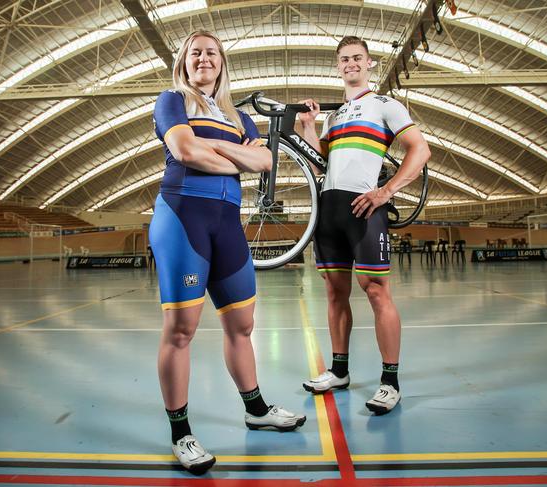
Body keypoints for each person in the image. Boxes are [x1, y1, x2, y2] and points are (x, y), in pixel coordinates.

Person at [150, 30, 306, 475]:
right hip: (183, 218)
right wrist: (234, 154)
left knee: (243, 322)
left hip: (227, 223)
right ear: (184, 61)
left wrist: (211, 149)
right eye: (195, 52)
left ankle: (255, 410)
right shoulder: (172, 100)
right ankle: (181, 432)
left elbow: (264, 163)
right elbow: (182, 149)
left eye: (212, 53)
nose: (204, 58)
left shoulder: (241, 117)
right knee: (182, 329)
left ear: (222, 63)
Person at [298, 36, 430, 415]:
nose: (350, 64)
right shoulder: (334, 116)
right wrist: (309, 126)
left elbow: (420, 150)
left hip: (364, 208)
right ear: (337, 67)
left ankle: (390, 382)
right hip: (329, 211)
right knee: (335, 293)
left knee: (376, 292)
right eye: (344, 59)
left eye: (357, 58)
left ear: (369, 64)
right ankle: (339, 372)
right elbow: (318, 164)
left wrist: (386, 191)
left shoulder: (386, 105)